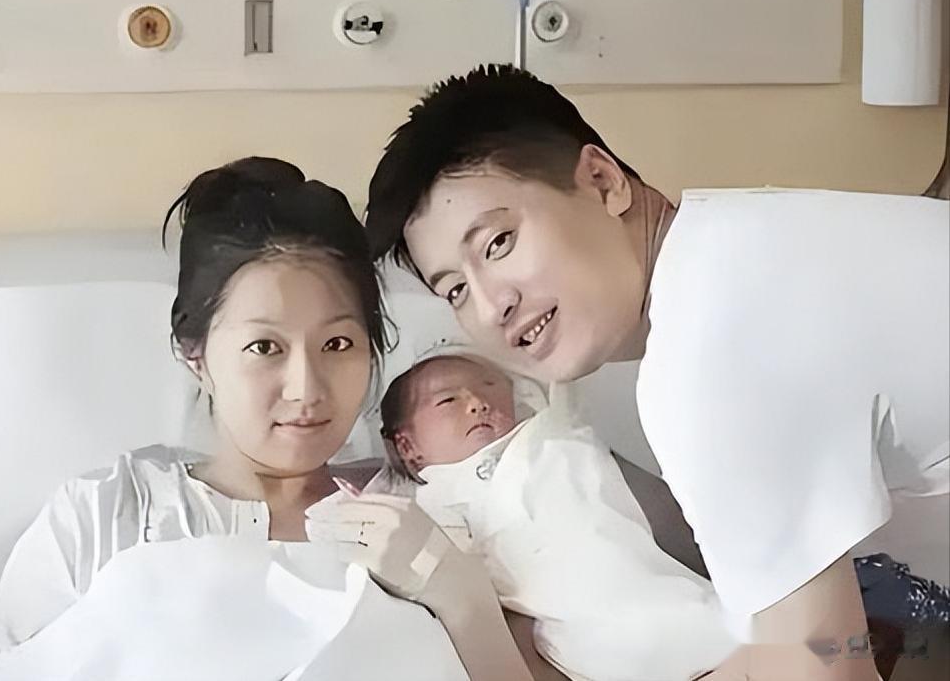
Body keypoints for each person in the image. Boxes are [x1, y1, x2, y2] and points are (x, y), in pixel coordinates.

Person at [363, 65, 949, 680]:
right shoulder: (732, 239)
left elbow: (823, 670)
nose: (490, 306)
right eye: (455, 290)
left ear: (603, 181)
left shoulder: (706, 360)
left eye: (498, 243)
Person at [0, 157, 542, 680]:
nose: (307, 388)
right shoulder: (108, 518)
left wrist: (465, 602)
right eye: (264, 347)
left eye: (337, 343)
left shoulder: (440, 509)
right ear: (196, 354)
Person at [375, 353, 739, 680]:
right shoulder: (426, 515)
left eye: (489, 386)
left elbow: (562, 380)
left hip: (699, 616)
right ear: (408, 446)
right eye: (448, 400)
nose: (478, 403)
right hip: (599, 655)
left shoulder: (553, 436)